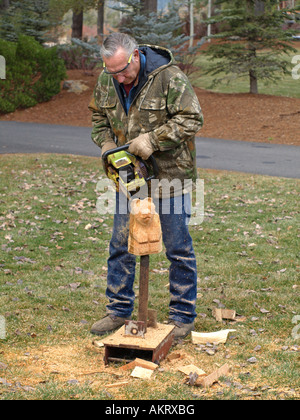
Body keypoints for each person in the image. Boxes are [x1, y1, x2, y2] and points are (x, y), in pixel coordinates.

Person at [88, 32, 203, 340]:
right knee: (121, 244)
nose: (118, 77)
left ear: (135, 55)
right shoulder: (108, 78)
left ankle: (182, 316)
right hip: (130, 178)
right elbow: (98, 117)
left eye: (123, 70)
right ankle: (118, 309)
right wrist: (106, 143)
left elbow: (192, 118)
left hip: (170, 176)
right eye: (111, 71)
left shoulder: (169, 78)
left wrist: (152, 140)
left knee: (177, 247)